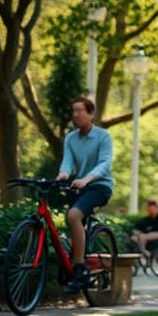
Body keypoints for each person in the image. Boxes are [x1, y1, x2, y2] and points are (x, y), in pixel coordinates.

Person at [56, 96, 114, 292]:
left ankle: (79, 267)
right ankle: (73, 256)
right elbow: (67, 162)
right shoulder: (71, 138)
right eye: (73, 111)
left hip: (100, 186)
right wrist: (63, 174)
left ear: (91, 114)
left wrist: (87, 179)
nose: (75, 115)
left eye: (79, 111)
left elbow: (105, 164)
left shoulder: (103, 136)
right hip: (78, 186)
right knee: (70, 222)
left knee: (74, 215)